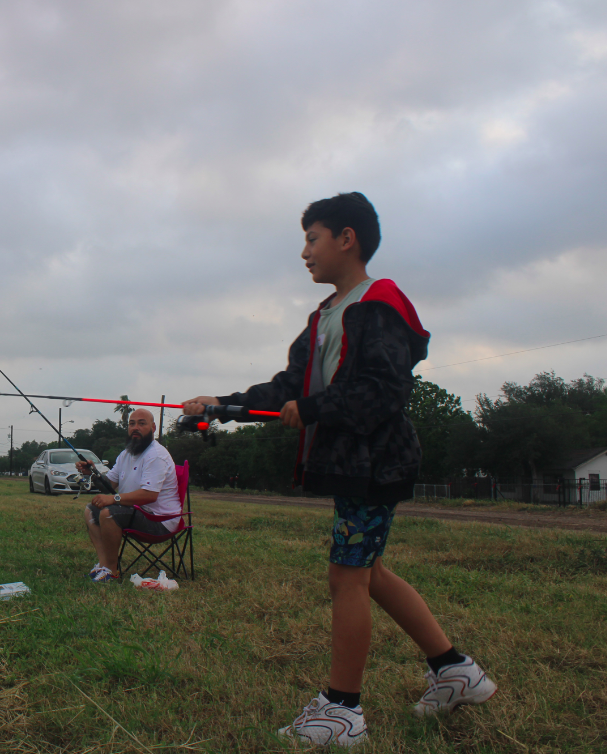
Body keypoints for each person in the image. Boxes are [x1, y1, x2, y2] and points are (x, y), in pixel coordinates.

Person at [182, 192, 495, 747]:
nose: (304, 252)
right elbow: (288, 390)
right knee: (367, 572)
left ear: (346, 238)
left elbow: (381, 390)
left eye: (312, 238)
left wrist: (314, 409)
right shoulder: (324, 316)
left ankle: (342, 711)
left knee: (346, 576)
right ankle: (455, 671)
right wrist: (222, 404)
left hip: (378, 461)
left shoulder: (381, 303)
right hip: (352, 462)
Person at [76, 408, 180, 584]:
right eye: (132, 424)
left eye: (141, 423)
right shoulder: (126, 454)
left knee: (108, 512)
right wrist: (91, 473)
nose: (135, 428)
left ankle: (112, 572)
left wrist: (114, 499)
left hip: (159, 521)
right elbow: (110, 484)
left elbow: (149, 495)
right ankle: (104, 565)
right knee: (91, 510)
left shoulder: (156, 455)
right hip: (137, 513)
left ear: (153, 427)